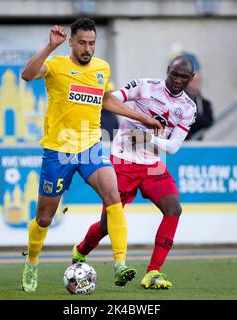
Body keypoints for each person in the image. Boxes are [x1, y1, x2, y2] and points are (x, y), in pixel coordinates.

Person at [20, 18, 162, 292]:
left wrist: (141, 117)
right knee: (44, 219)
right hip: (58, 151)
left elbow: (105, 98)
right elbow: (27, 75)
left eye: (92, 43)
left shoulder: (101, 68)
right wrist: (49, 47)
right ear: (71, 42)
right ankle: (32, 263)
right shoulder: (58, 66)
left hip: (90, 147)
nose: (87, 48)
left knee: (113, 196)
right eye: (82, 43)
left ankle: (120, 264)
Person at [71, 55, 197, 289]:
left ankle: (153, 272)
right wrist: (134, 116)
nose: (178, 80)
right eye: (174, 74)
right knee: (107, 225)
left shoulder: (188, 108)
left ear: (192, 78)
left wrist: (143, 136)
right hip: (122, 162)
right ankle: (80, 251)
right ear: (167, 70)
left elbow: (173, 147)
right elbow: (110, 101)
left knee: (174, 209)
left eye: (184, 77)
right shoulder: (144, 86)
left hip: (153, 165)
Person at [181, 53, 213, 140]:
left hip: (195, 145)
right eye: (193, 80)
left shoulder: (205, 104)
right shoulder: (177, 100)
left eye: (198, 80)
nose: (196, 83)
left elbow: (209, 121)